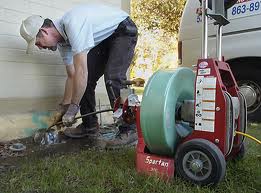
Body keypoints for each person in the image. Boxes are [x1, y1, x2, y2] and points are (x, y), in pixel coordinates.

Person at [19, 4, 138, 148]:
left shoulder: (73, 24)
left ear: (44, 31)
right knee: (85, 81)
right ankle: (90, 127)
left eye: (38, 43)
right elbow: (72, 75)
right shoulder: (63, 43)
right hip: (106, 39)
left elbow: (81, 72)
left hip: (123, 30)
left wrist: (74, 108)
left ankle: (130, 130)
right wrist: (64, 107)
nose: (40, 47)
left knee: (113, 78)